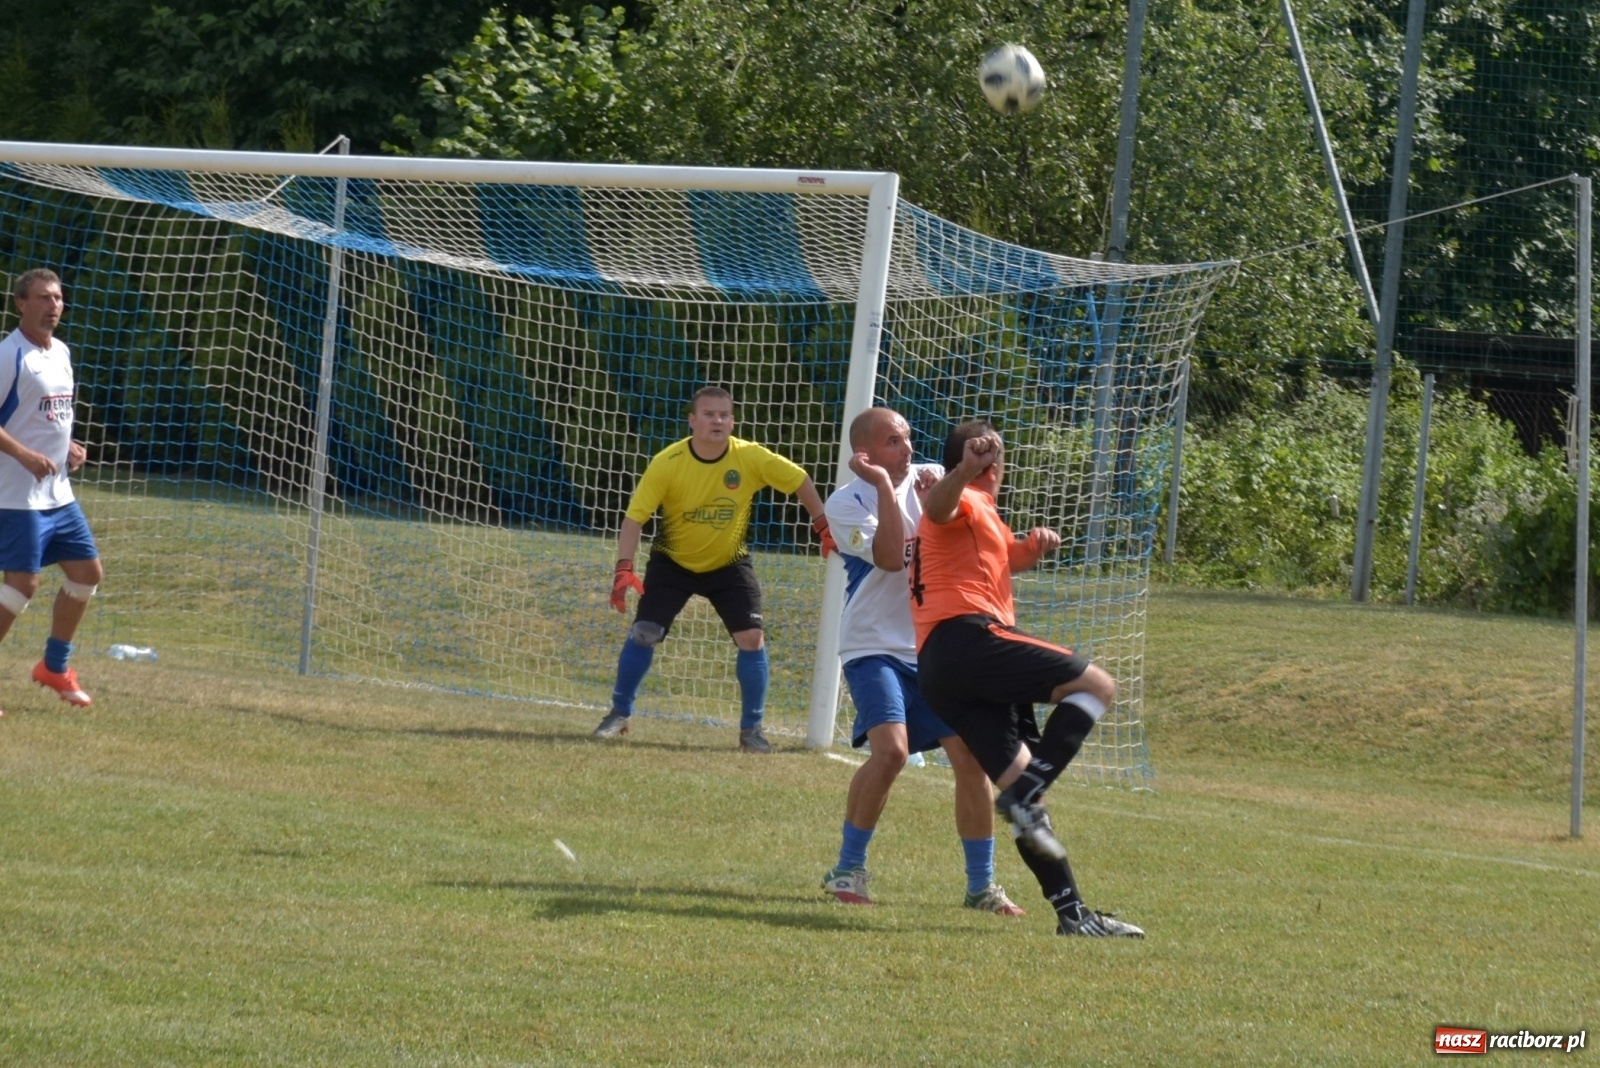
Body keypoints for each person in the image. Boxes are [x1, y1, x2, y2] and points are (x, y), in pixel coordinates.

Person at [910, 420, 1144, 938]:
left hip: (941, 669)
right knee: (1098, 686)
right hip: (968, 640)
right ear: (987, 463)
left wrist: (1031, 550)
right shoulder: (966, 498)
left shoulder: (984, 514)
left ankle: (1074, 916)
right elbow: (938, 510)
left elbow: (997, 558)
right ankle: (1027, 792)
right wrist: (965, 472)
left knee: (1024, 796)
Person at [818, 407, 1024, 917]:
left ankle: (982, 886)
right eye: (893, 441)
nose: (907, 449)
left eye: (908, 437)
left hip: (931, 647)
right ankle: (848, 867)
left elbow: (979, 513)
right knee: (891, 753)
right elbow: (890, 557)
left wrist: (969, 467)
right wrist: (888, 489)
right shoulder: (845, 503)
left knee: (971, 758)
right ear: (865, 454)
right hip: (873, 647)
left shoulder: (932, 480)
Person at [594, 386, 834, 753]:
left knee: (752, 638)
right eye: (708, 414)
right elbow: (634, 518)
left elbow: (799, 479)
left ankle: (751, 731)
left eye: (724, 414)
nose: (717, 421)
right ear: (692, 421)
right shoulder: (667, 462)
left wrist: (823, 526)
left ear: (733, 421)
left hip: (729, 565)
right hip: (672, 563)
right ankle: (619, 713)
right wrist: (623, 568)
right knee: (645, 632)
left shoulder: (751, 458)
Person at [0, 269, 104, 716]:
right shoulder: (9, 356)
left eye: (58, 298)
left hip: (57, 493)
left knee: (87, 574)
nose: (53, 305)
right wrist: (23, 454)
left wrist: (69, 446)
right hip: (16, 494)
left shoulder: (60, 352)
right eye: (43, 297)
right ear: (21, 304)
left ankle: (53, 667)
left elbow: (50, 414)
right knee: (23, 585)